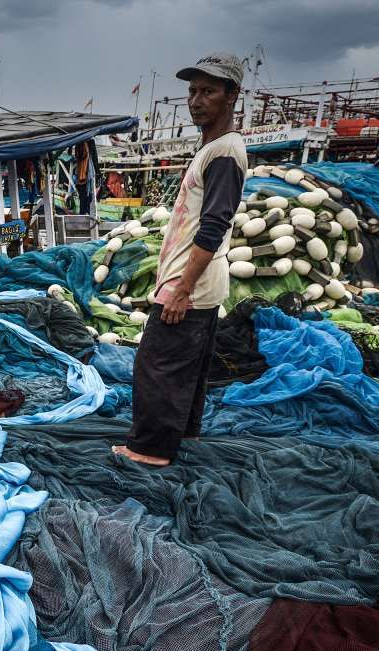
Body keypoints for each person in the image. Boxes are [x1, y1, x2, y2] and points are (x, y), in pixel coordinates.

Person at [113, 52, 247, 467]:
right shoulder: (215, 148)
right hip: (202, 283)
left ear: (231, 97)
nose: (196, 100)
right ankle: (182, 430)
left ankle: (150, 449)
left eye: (208, 91)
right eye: (192, 91)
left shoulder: (224, 153)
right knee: (188, 365)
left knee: (157, 365)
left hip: (190, 285)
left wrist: (181, 288)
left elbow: (213, 226)